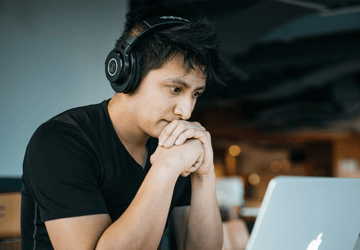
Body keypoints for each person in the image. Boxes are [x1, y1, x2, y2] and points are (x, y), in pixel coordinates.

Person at [21, 5, 228, 250]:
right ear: (128, 73)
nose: (186, 111)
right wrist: (166, 167)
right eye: (175, 89)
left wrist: (204, 176)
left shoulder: (174, 144)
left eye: (195, 93)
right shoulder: (61, 141)